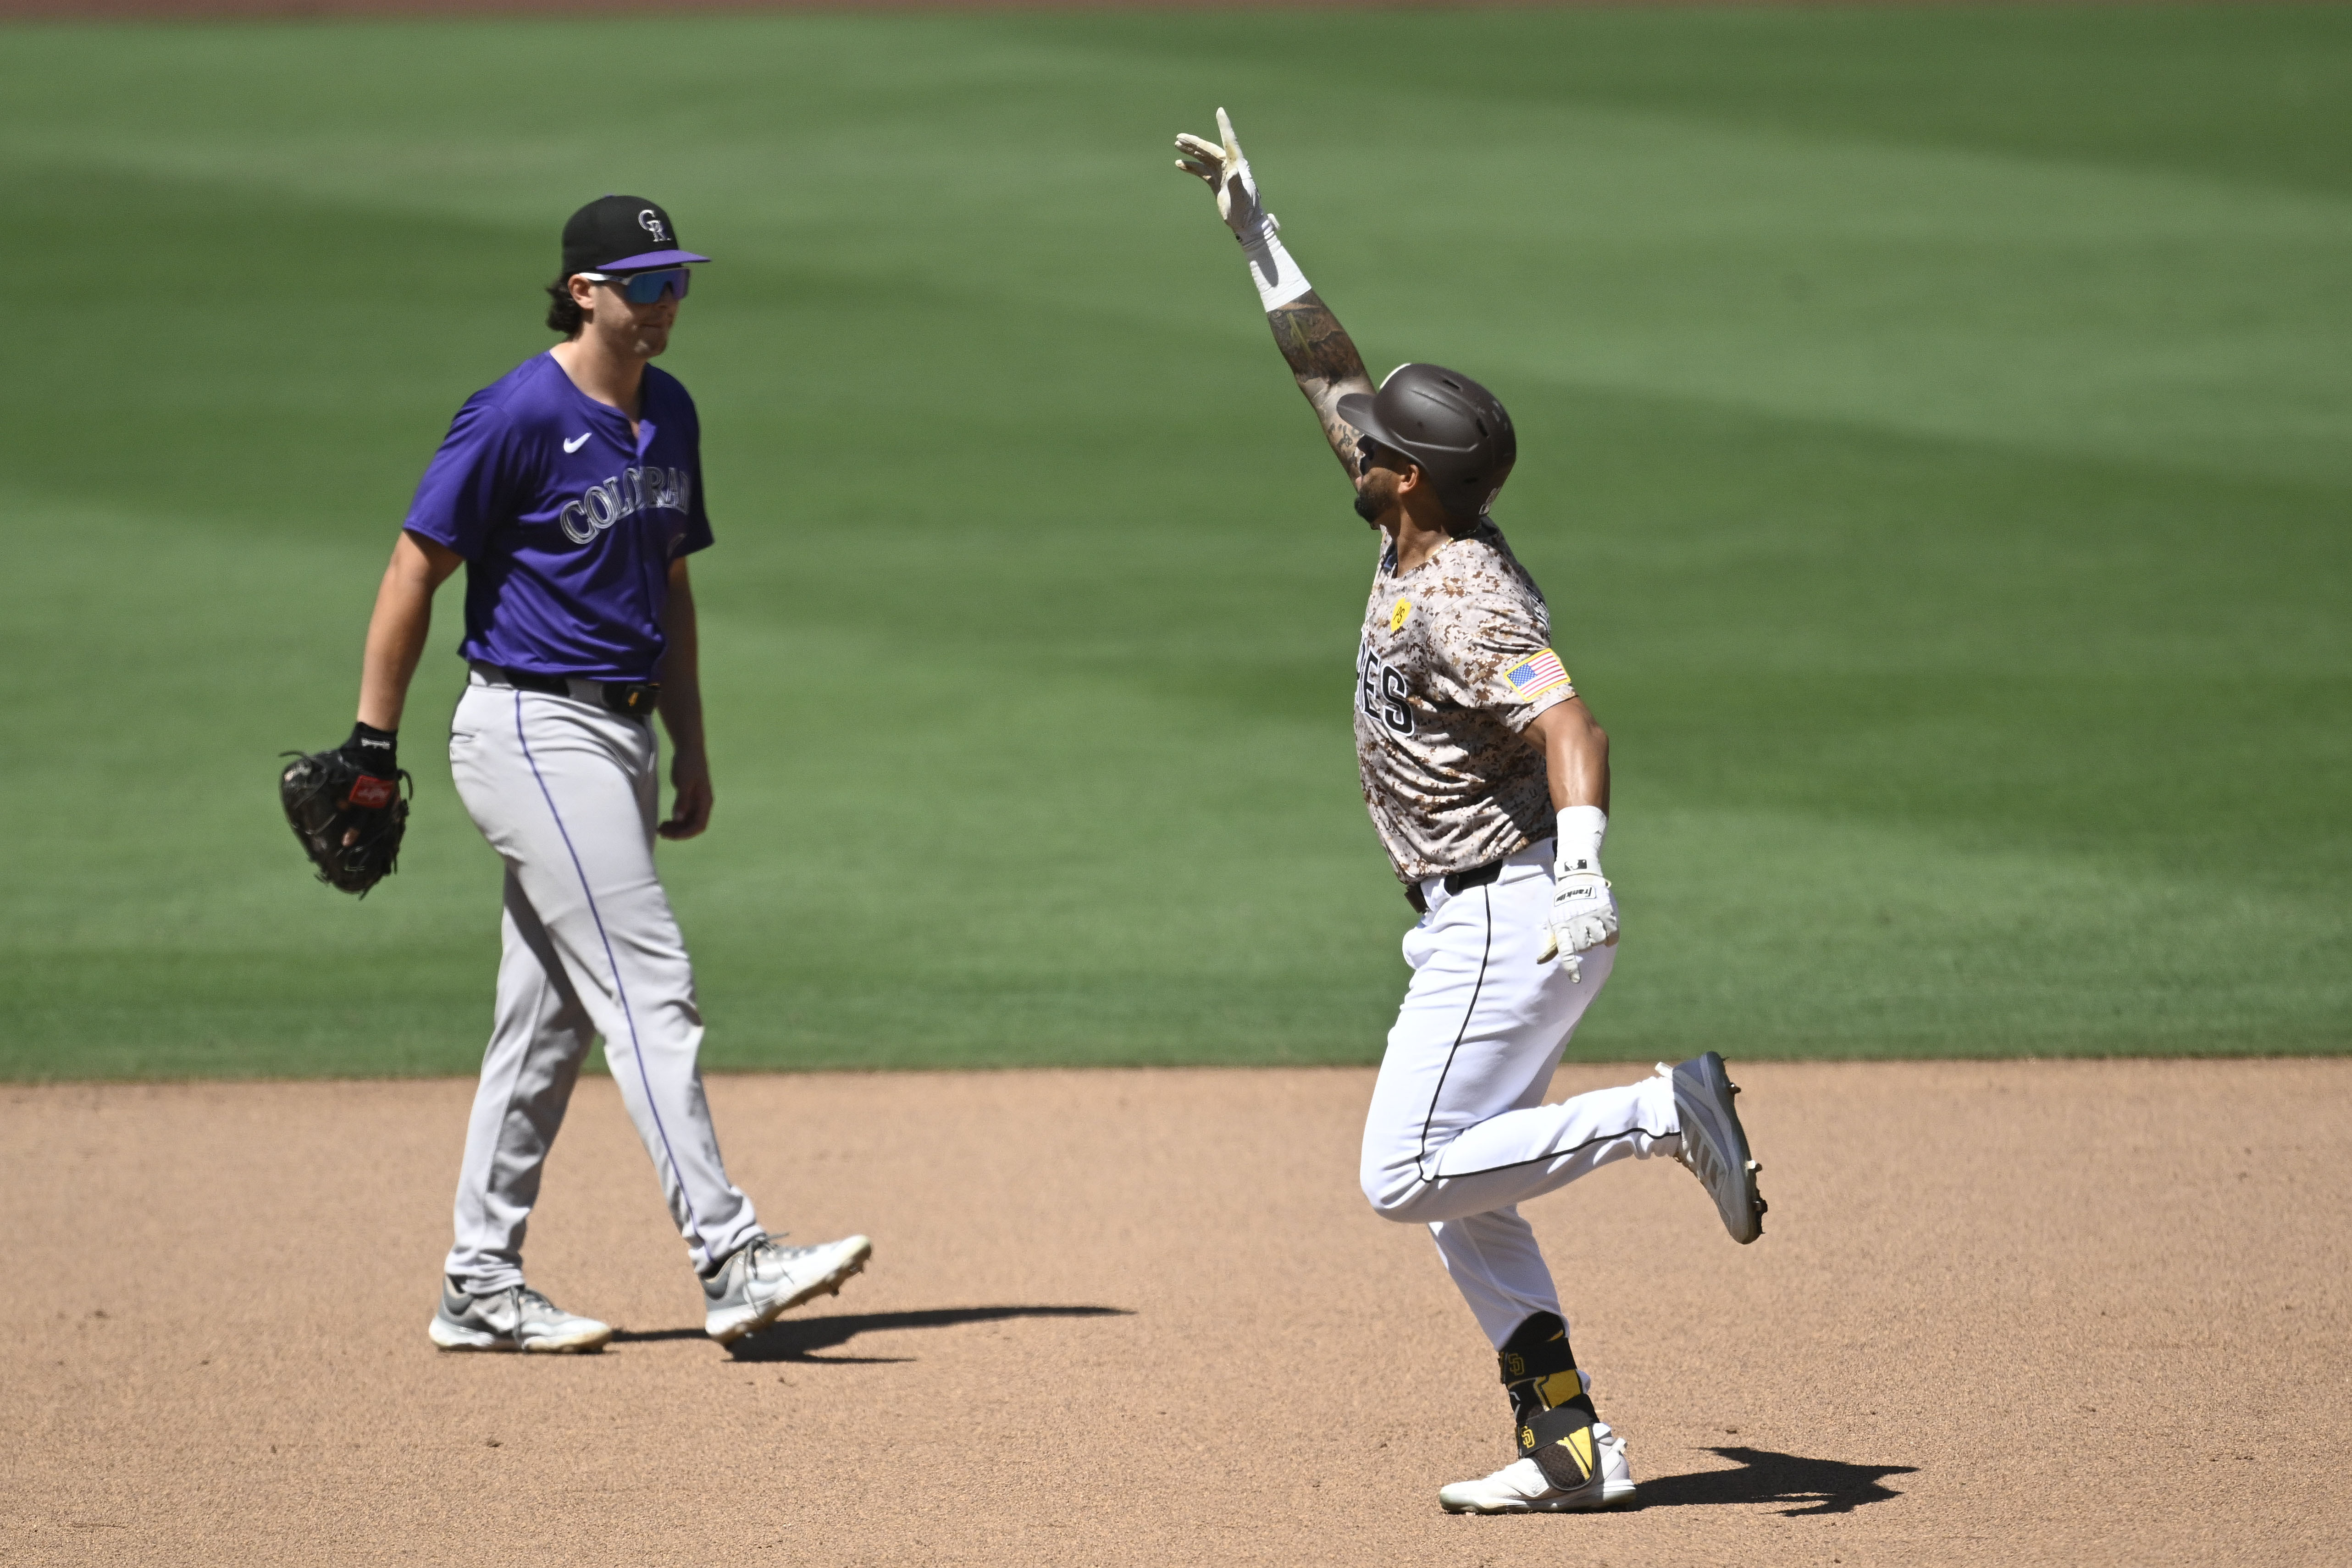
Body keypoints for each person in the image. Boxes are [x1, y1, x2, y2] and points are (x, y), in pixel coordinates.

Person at [1173, 113, 1767, 1512]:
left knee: (1403, 1173)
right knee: (1468, 1200)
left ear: (1416, 476)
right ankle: (1570, 1437)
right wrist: (1259, 233)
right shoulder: (1407, 520)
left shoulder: (1466, 591)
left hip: (1515, 908)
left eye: (1376, 445)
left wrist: (1582, 869)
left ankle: (1662, 1113)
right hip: (1477, 913)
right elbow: (1326, 367)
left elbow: (1571, 721)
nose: (1354, 442)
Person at [343, 194, 869, 1353]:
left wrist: (690, 740)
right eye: (645, 283)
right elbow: (410, 568)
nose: (668, 302)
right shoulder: (514, 415)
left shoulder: (668, 411)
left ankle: (478, 1283)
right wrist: (373, 748)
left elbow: (669, 585)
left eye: (678, 280)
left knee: (546, 1026)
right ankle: (731, 1256)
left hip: (620, 739)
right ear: (586, 291)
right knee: (650, 983)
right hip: (530, 729)